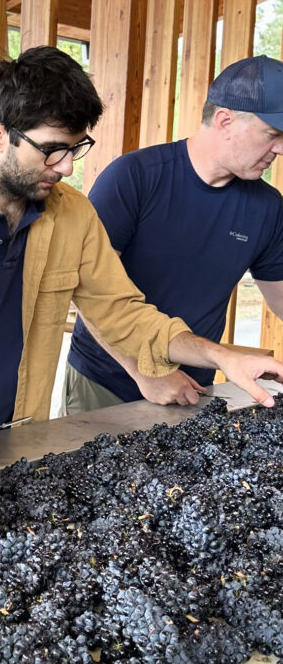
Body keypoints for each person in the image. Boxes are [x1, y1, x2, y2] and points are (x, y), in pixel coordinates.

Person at [0, 46, 283, 431]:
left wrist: (222, 356)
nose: (66, 167)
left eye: (75, 148)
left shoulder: (75, 215)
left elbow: (123, 315)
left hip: (18, 441)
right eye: (52, 149)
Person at [64, 54, 283, 414]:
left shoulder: (269, 208)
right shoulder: (134, 178)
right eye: (272, 135)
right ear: (225, 121)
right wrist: (142, 372)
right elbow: (87, 291)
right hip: (106, 380)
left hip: (195, 387)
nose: (279, 149)